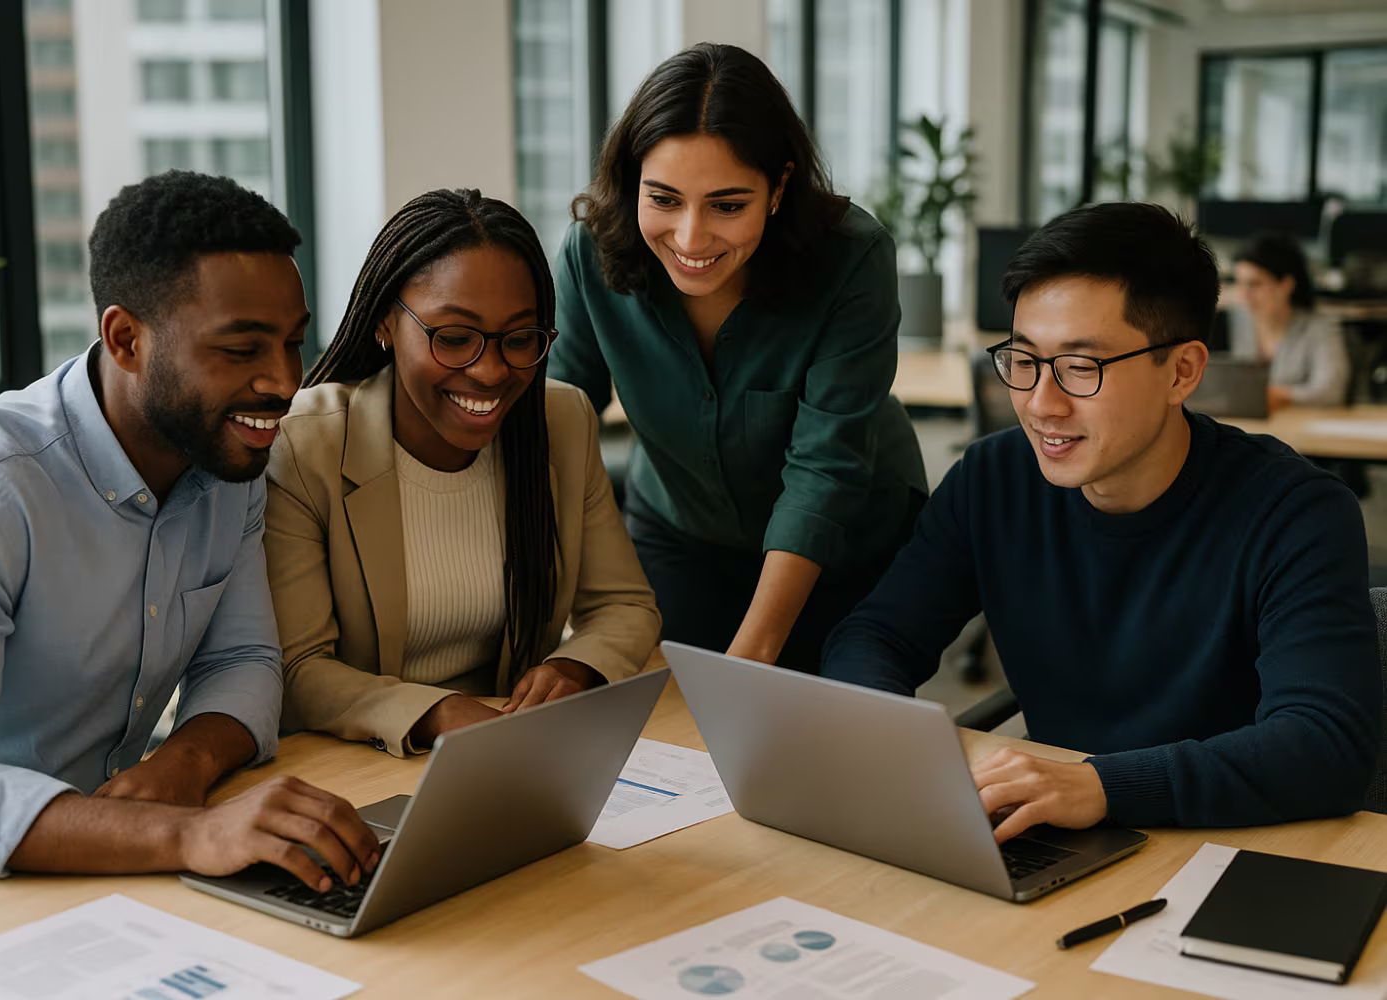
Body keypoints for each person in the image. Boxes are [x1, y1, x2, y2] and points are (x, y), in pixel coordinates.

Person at [0, 171, 379, 895]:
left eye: (293, 342)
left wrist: (185, 765)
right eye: (242, 350)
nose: (283, 382)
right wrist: (190, 833)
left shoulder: (227, 460)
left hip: (113, 868)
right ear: (125, 339)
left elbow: (243, 659)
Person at [822, 202, 1379, 841]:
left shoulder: (1295, 513)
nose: (1039, 403)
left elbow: (1324, 745)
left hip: (1225, 843)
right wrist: (903, 743)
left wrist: (1101, 784)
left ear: (1182, 371)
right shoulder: (992, 479)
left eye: (1081, 368)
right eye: (1023, 360)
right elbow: (874, 636)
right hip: (1059, 832)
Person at [549, 42, 927, 672]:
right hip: (679, 530)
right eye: (663, 199)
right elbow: (558, 421)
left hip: (844, 541)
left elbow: (824, 470)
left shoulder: (851, 257)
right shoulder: (589, 255)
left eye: (727, 205)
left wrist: (751, 658)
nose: (691, 238)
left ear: (778, 186)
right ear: (631, 179)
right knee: (664, 724)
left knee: (803, 737)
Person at [264, 189, 660, 756]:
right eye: (453, 338)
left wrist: (577, 666)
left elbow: (623, 605)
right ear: (384, 322)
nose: (491, 370)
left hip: (513, 757)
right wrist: (437, 712)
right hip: (361, 763)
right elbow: (297, 670)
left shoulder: (562, 420)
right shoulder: (305, 446)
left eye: (520, 338)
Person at [1228, 232, 1350, 410]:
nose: (1244, 295)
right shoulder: (1236, 322)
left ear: (1286, 285)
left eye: (1255, 284)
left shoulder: (1320, 327)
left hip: (1300, 428)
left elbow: (1331, 390)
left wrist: (1280, 395)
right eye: (1239, 283)